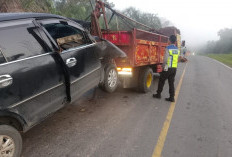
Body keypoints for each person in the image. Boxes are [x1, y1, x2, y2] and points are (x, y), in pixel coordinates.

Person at [153, 35, 180, 102]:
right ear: (175, 41)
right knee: (171, 83)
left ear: (170, 40)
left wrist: (163, 67)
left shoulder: (168, 48)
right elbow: (177, 59)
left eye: (168, 40)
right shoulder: (177, 49)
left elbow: (165, 59)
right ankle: (171, 97)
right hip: (174, 68)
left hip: (168, 67)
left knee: (161, 80)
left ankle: (158, 94)